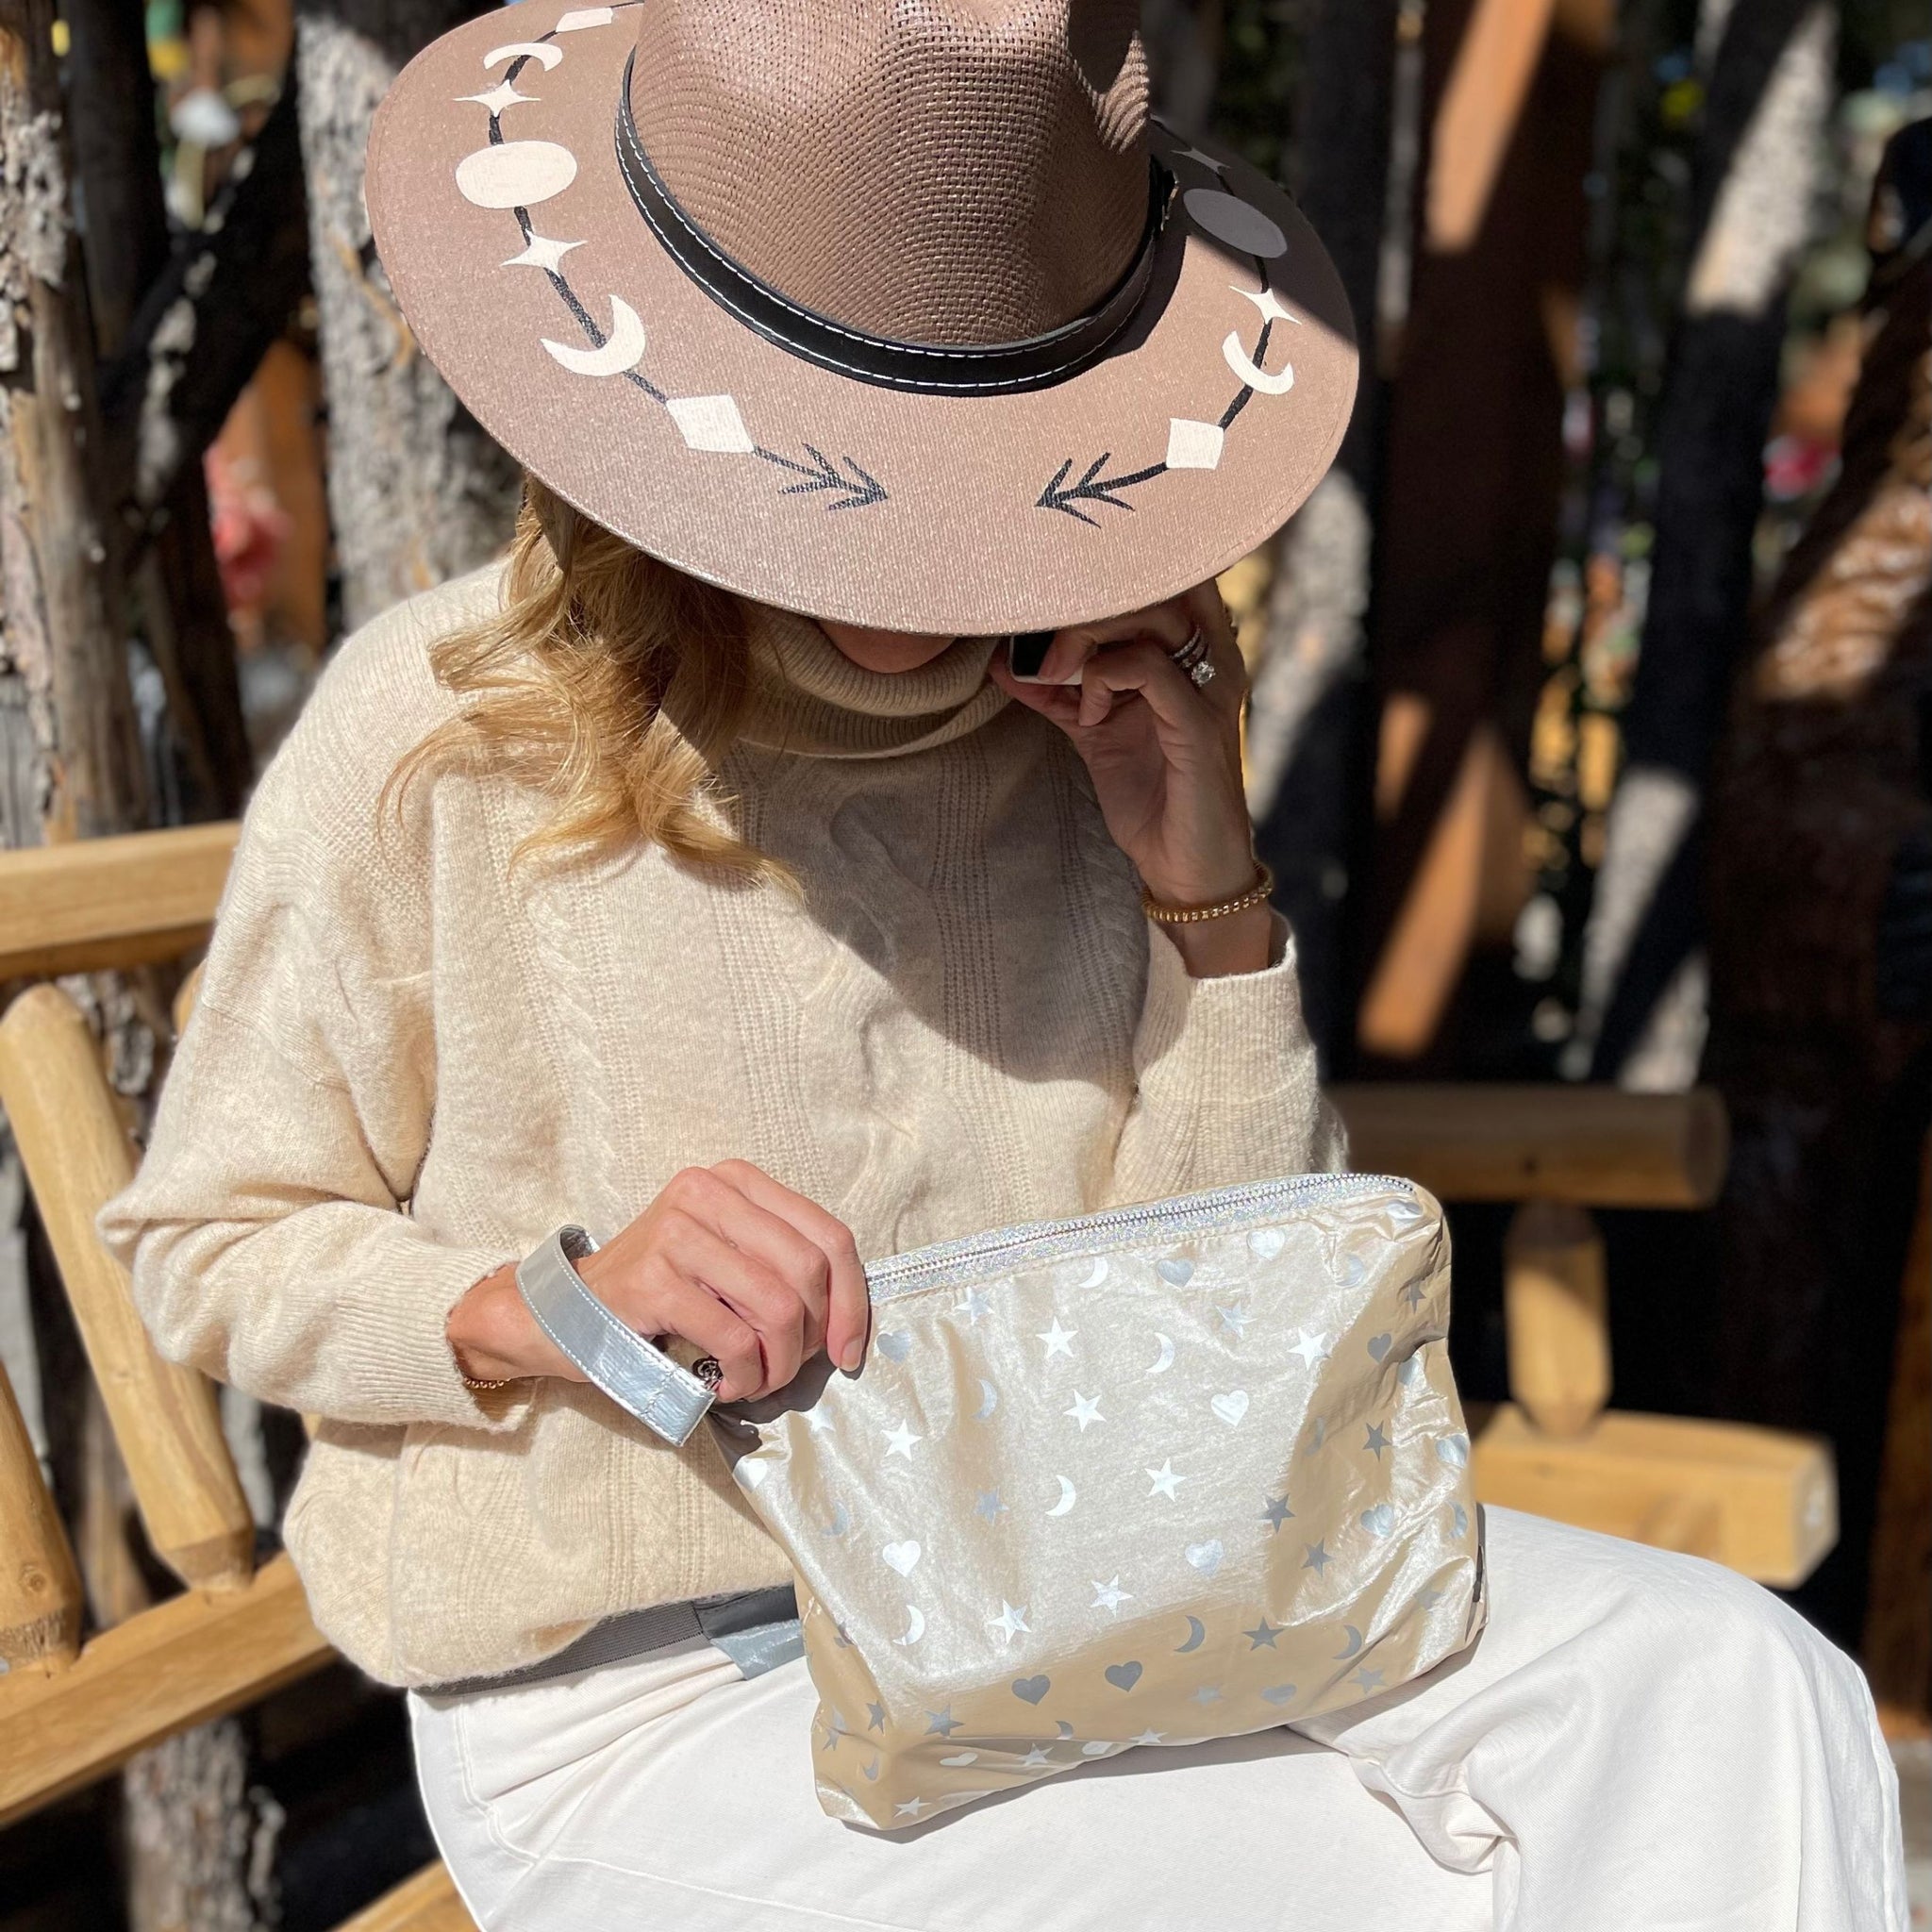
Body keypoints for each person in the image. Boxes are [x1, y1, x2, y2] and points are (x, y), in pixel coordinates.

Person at [97, 4, 1905, 1926]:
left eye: (983, 441)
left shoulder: (1102, 723)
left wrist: (1206, 893)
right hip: (652, 1674)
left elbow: (1223, 1333)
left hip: (1102, 1575)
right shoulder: (447, 736)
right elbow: (210, 1245)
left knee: (1743, 1692)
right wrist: (564, 1303)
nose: (928, 539)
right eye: (869, 443)